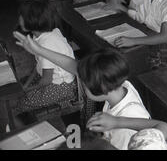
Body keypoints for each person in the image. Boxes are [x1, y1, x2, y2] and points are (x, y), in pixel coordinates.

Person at [12, 36, 151, 151]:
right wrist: (40, 50)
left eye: (83, 83)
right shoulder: (119, 84)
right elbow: (72, 65)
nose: (81, 83)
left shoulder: (126, 128)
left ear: (95, 87)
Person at [8, 0, 77, 118]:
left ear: (33, 20)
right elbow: (39, 64)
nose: (19, 19)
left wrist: (27, 89)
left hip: (61, 87)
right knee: (20, 88)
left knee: (21, 104)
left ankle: (20, 125)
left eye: (21, 16)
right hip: (51, 79)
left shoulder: (46, 43)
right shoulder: (45, 34)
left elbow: (46, 80)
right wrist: (27, 86)